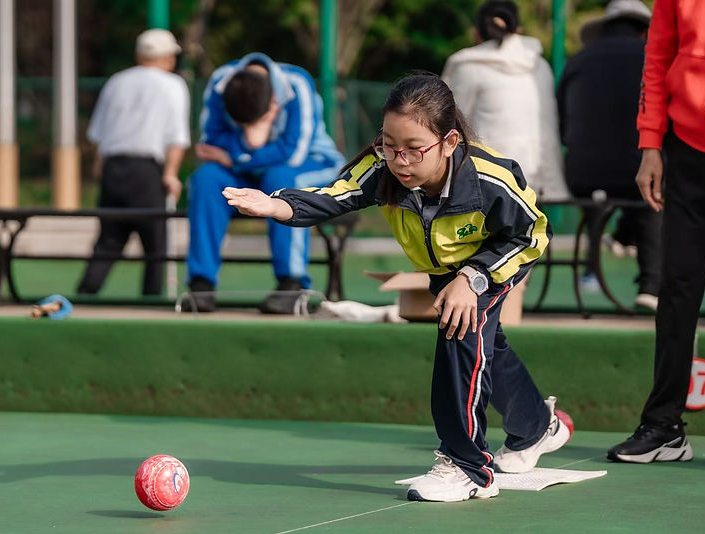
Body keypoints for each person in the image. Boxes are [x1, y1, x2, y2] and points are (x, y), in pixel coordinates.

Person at [224, 73, 568, 502]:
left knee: (460, 328)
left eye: (413, 149)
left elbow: (532, 235)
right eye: (389, 144)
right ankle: (537, 425)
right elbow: (338, 193)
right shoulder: (382, 167)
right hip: (443, 269)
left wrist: (473, 276)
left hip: (493, 263)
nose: (399, 160)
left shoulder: (488, 178)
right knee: (487, 346)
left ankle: (467, 466)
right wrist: (277, 204)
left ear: (449, 141)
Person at [608, 0, 705, 468]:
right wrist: (650, 144)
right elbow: (658, 56)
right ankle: (663, 426)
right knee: (677, 285)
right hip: (687, 144)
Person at [187, 52, 344, 314]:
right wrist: (251, 143)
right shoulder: (219, 82)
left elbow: (292, 152)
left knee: (281, 179)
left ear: (273, 103)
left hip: (312, 163)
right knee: (206, 178)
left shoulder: (297, 85)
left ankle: (291, 283)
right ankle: (201, 283)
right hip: (248, 168)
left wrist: (239, 152)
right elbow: (210, 142)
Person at [557, 0, 660, 310]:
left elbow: (563, 122)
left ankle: (592, 267)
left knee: (600, 198)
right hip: (639, 167)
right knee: (651, 193)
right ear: (645, 30)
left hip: (582, 172)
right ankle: (651, 285)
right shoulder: (653, 59)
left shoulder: (578, 61)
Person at [76, 29, 190, 297]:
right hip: (147, 171)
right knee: (156, 245)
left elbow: (99, 134)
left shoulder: (116, 81)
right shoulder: (173, 84)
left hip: (113, 168)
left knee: (109, 240)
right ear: (169, 57)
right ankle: (151, 302)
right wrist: (171, 174)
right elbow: (177, 137)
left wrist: (100, 169)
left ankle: (84, 296)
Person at [441, 0, 567, 202]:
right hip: (542, 179)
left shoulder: (467, 65)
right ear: (518, 30)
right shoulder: (540, 65)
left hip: (490, 178)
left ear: (477, 32)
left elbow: (450, 125)